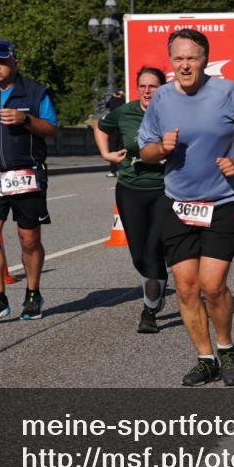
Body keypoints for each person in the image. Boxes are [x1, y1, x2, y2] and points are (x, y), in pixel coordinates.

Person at [138, 28, 234, 386]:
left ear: (205, 60)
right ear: (171, 61)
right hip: (177, 204)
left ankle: (226, 348)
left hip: (221, 202)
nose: (184, 65)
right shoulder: (162, 98)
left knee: (212, 286)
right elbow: (145, 151)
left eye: (191, 58)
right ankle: (205, 357)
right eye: (178, 58)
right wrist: (161, 149)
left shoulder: (228, 93)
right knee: (185, 288)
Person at [0, 40, 59, 324]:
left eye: (2, 61)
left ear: (15, 63)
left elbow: (52, 129)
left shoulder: (35, 92)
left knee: (28, 239)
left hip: (26, 174)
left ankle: (32, 294)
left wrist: (25, 119)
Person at [93, 66, 169, 332]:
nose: (148, 91)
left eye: (154, 86)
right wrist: (106, 154)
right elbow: (101, 127)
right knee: (138, 255)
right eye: (143, 86)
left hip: (164, 189)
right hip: (129, 188)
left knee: (153, 250)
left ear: (163, 88)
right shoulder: (125, 112)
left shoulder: (172, 111)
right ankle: (158, 285)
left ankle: (149, 310)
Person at [103, 89, 126, 178]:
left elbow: (107, 105)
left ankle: (113, 171)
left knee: (113, 149)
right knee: (122, 149)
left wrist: (113, 96)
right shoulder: (123, 101)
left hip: (113, 128)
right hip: (122, 127)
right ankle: (121, 170)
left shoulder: (112, 101)